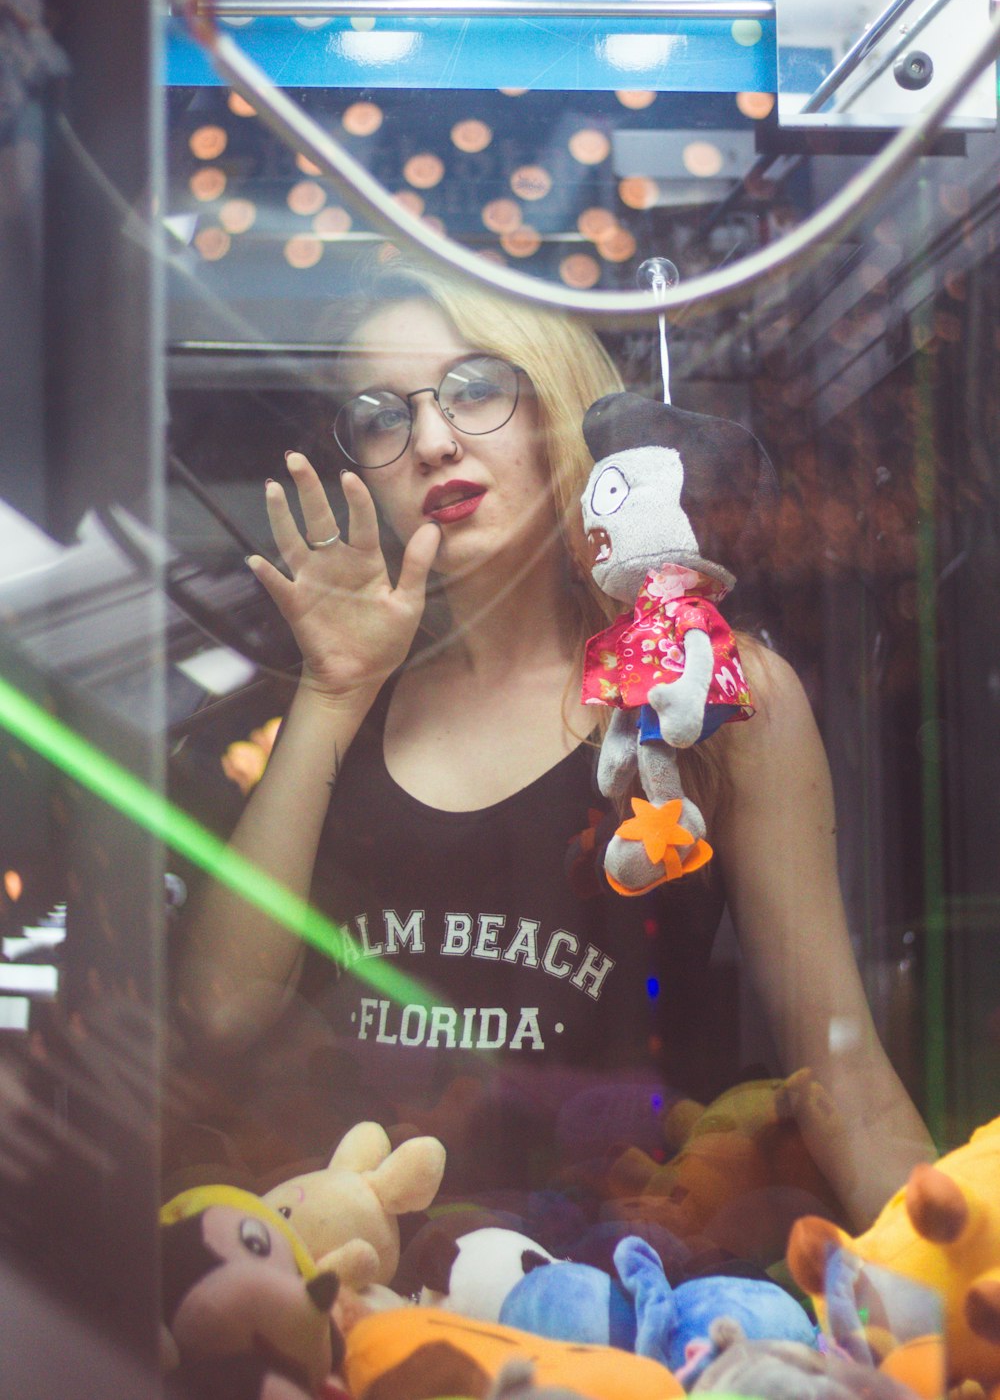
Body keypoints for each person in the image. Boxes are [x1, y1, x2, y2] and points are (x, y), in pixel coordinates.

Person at [179, 255, 934, 1229]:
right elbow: (219, 1014)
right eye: (382, 416)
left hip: (629, 1319)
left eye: (477, 389)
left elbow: (844, 1080)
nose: (433, 442)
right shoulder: (346, 712)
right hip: (361, 1309)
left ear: (556, 408)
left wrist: (958, 1300)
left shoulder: (711, 694)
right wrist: (331, 692)